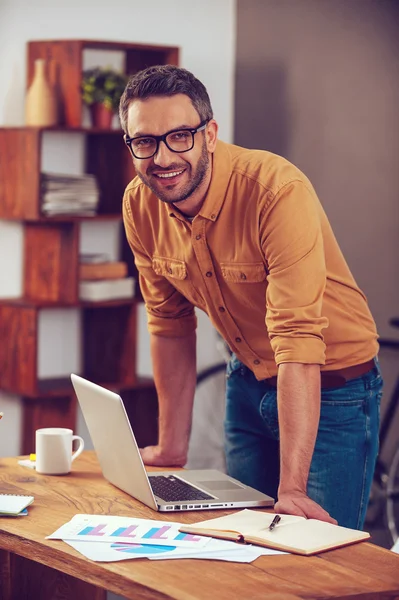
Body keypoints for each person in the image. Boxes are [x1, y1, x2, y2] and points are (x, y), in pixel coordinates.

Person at [119, 64, 383, 530]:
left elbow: (298, 338)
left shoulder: (276, 191)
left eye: (180, 135)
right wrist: (170, 446)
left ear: (210, 134)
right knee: (246, 547)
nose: (162, 157)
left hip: (332, 388)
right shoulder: (140, 205)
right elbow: (168, 323)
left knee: (315, 557)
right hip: (246, 379)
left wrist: (293, 487)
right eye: (144, 141)